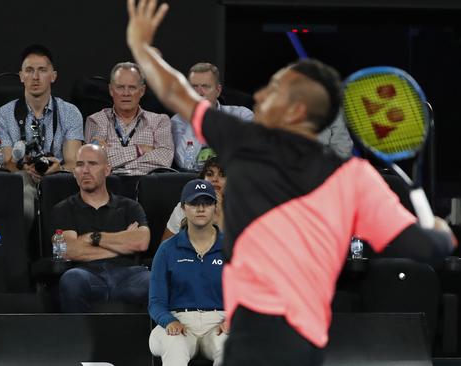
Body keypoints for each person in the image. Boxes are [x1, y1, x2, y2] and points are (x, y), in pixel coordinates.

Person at [125, 1, 457, 364]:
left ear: (296, 110)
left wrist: (142, 49)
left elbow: (177, 93)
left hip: (253, 342)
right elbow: (428, 249)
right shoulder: (354, 178)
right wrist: (438, 228)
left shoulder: (246, 142)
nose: (261, 95)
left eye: (274, 89)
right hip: (303, 346)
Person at [0, 44, 84, 231]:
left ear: (53, 76)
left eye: (42, 70)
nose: (35, 77)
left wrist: (58, 168)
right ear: (21, 76)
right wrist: (23, 166)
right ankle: (19, 255)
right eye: (29, 70)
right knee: (22, 193)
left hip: (59, 180)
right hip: (21, 181)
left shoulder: (70, 112)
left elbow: (74, 162)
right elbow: (1, 163)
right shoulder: (3, 114)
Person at [53, 144, 150, 312]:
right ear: (74, 172)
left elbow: (140, 242)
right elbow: (67, 250)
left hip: (129, 274)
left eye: (92, 164)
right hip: (86, 274)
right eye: (80, 164)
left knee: (155, 281)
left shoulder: (130, 207)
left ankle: (151, 339)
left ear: (107, 170)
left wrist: (93, 238)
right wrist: (122, 246)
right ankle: (79, 338)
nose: (85, 170)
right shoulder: (63, 209)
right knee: (71, 280)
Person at [149, 179, 227, 366]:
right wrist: (169, 321)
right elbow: (156, 302)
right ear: (183, 208)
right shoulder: (167, 249)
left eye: (207, 203)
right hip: (179, 320)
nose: (201, 208)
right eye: (194, 203)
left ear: (215, 207)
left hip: (219, 322)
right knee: (173, 345)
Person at [84, 62, 173, 176]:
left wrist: (116, 165)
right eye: (120, 87)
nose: (126, 93)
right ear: (111, 90)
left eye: (132, 87)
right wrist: (138, 150)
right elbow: (94, 161)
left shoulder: (160, 121)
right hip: (108, 187)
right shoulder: (96, 120)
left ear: (142, 91)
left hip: (147, 188)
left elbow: (164, 159)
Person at [171, 63, 253, 170]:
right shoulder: (178, 121)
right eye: (194, 87)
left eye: (205, 86)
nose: (199, 93)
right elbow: (185, 163)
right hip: (196, 181)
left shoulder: (242, 115)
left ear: (218, 91)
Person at [162, 156, 225, 241]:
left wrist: (220, 216)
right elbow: (165, 250)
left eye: (222, 175)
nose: (215, 179)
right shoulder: (185, 206)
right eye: (210, 174)